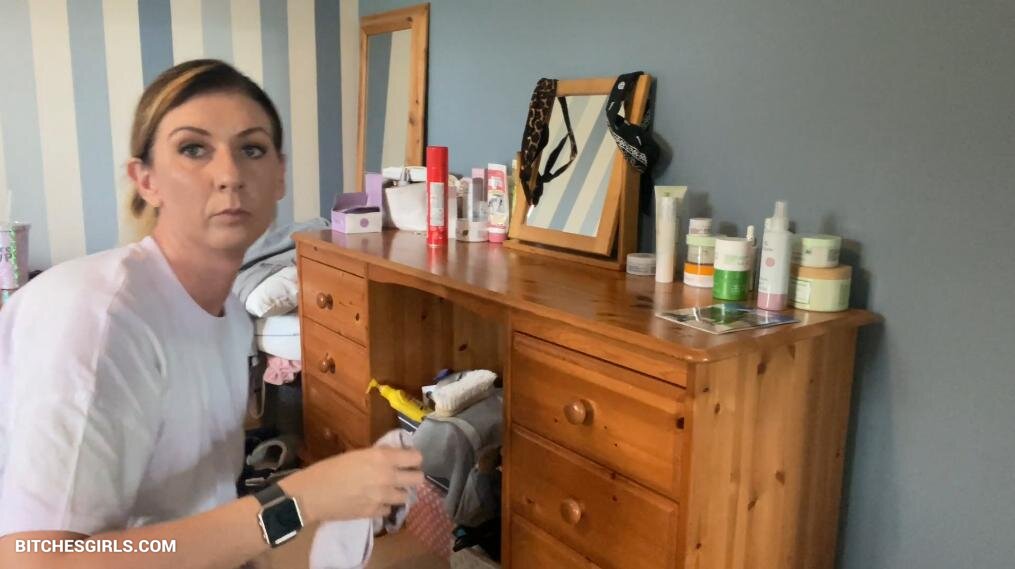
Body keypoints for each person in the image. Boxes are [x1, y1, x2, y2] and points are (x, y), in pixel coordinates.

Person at [0, 59, 423, 569]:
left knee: (415, 556)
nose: (229, 175)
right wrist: (301, 500)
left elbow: (205, 511)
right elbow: (37, 560)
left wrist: (318, 503)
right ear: (146, 180)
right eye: (193, 149)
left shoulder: (230, 318)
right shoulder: (98, 319)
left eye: (252, 149)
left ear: (280, 175)